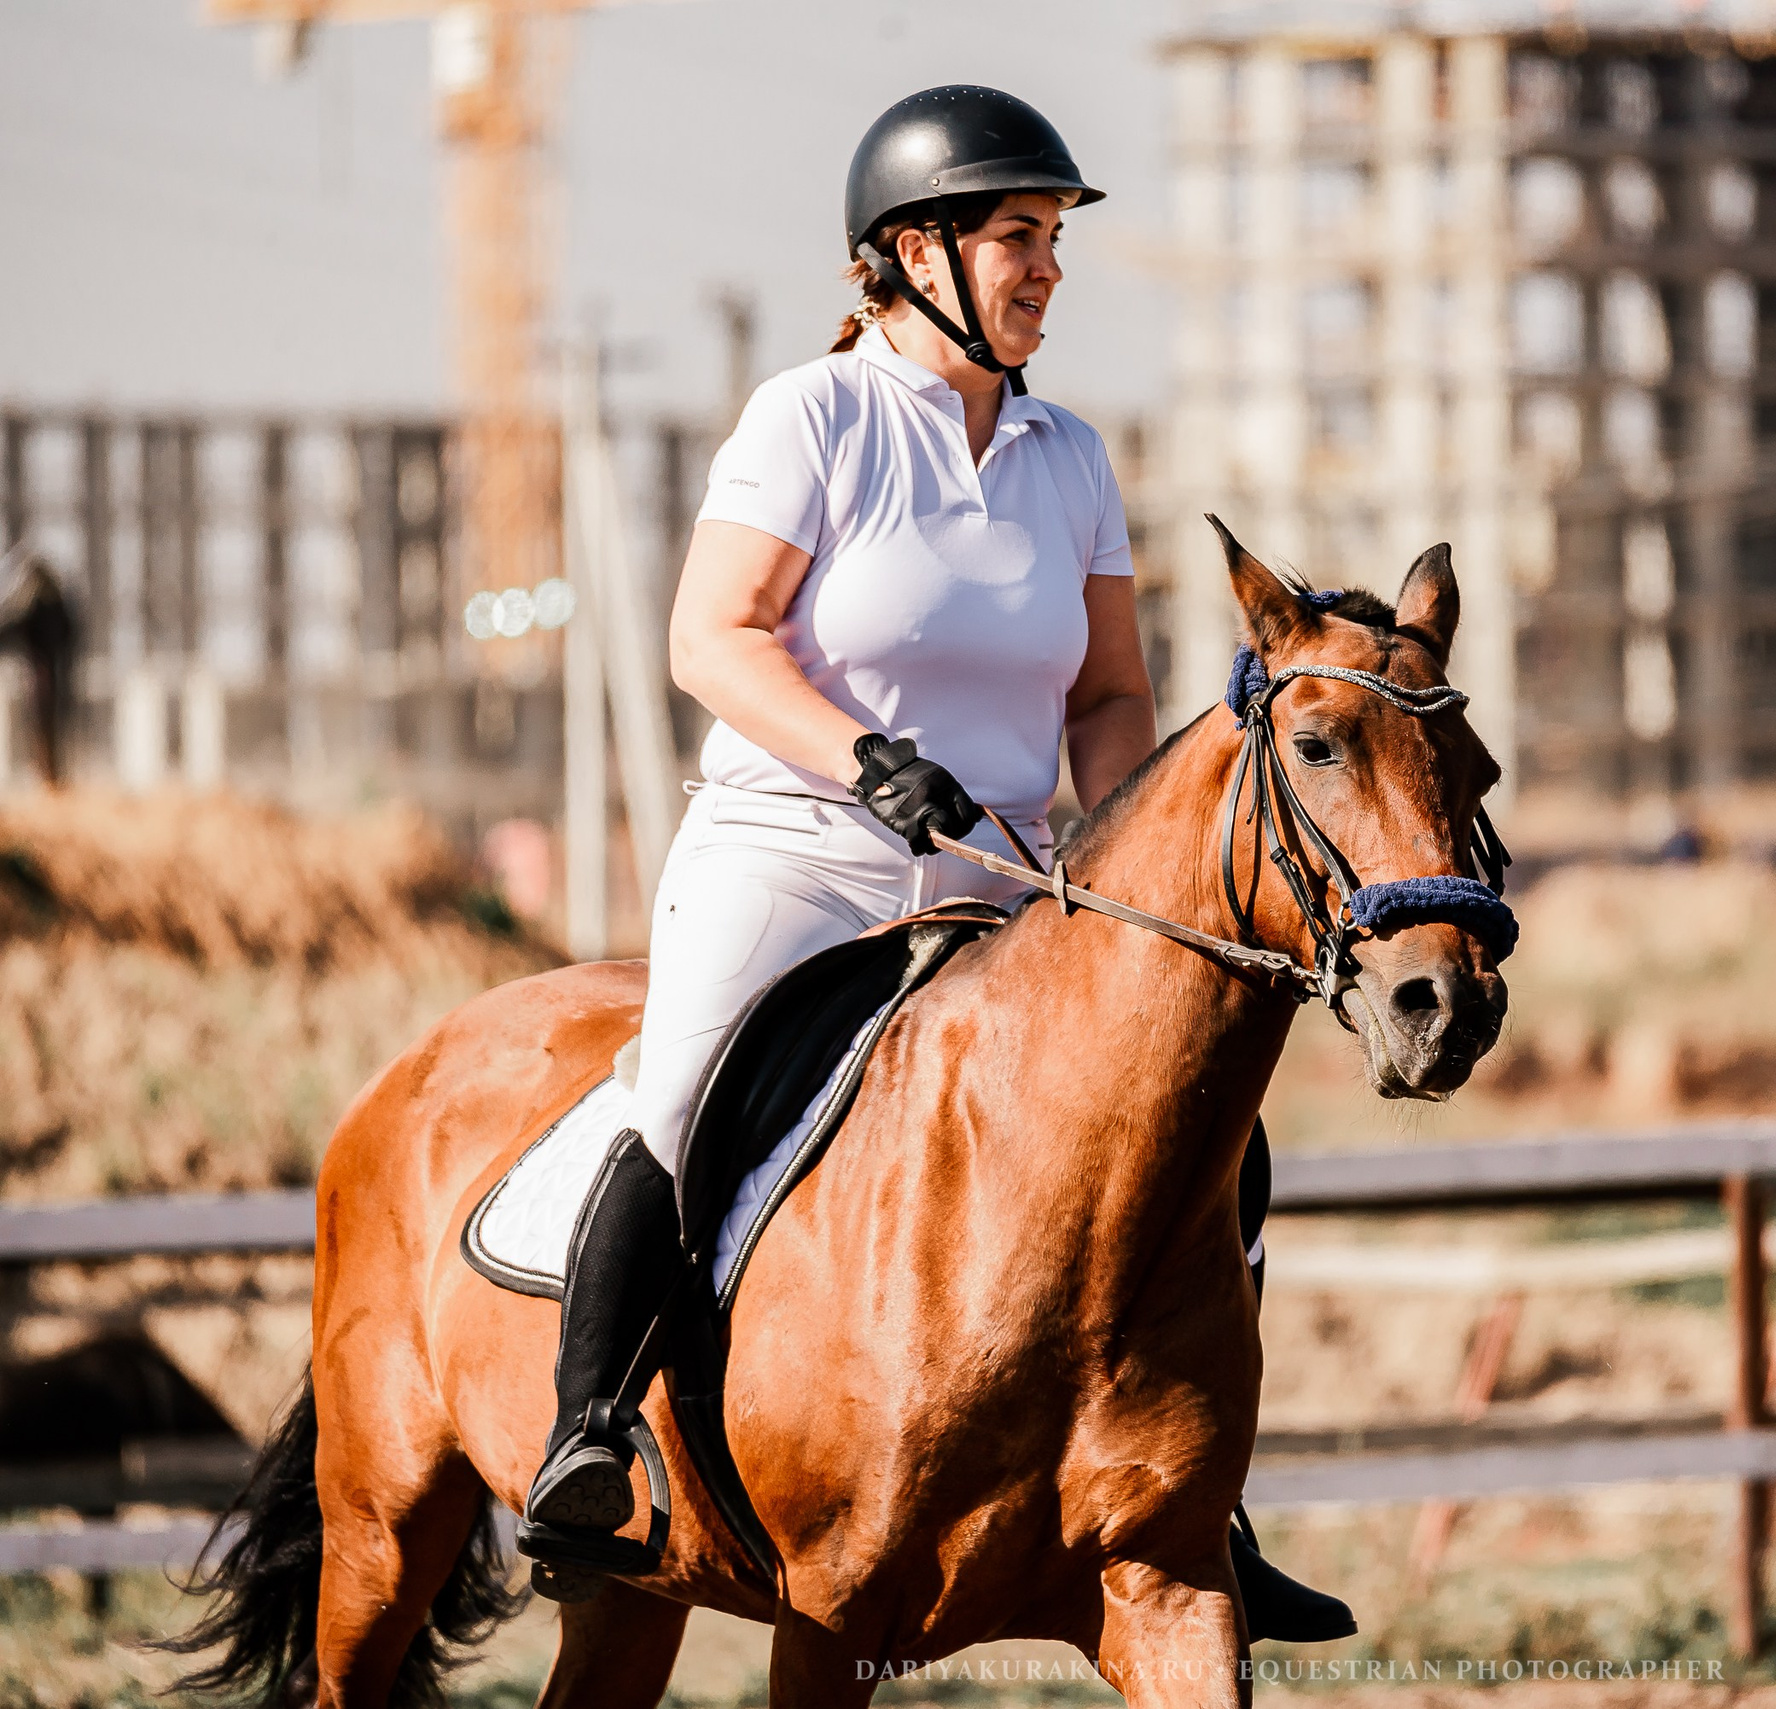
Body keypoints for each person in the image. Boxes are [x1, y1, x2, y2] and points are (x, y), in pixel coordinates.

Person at [516, 84, 1352, 1642]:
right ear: (913, 252)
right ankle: (592, 1441)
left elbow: (1109, 699)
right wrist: (860, 758)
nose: (1047, 270)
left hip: (1002, 885)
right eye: (1019, 238)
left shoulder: (1071, 454)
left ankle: (1199, 1490)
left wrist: (1123, 871)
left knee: (1203, 1133)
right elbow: (714, 635)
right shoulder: (809, 417)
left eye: (1051, 240)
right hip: (800, 855)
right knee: (678, 1092)